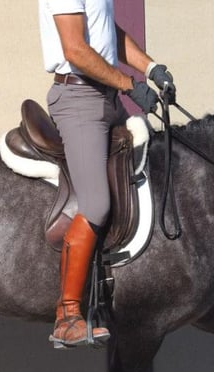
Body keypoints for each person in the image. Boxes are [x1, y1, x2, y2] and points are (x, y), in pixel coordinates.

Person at [39, 0, 176, 348]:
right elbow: (76, 48)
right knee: (97, 203)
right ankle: (67, 315)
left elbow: (106, 31)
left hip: (106, 98)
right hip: (79, 98)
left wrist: (152, 67)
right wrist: (130, 85)